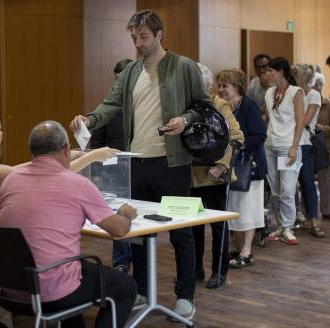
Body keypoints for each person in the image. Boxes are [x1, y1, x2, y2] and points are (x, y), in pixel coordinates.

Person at [70, 10, 210, 320]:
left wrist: (184, 120)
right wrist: (88, 119)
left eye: (143, 36)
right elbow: (110, 104)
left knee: (180, 234)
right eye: (134, 37)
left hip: (172, 163)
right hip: (137, 162)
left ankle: (185, 296)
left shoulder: (184, 66)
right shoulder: (131, 71)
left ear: (160, 34)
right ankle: (142, 291)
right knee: (135, 230)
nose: (138, 43)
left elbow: (204, 108)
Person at [0, 121, 138, 328]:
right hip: (51, 290)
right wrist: (125, 213)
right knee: (125, 287)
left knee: (71, 272)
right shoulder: (77, 183)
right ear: (66, 150)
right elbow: (118, 230)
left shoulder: (10, 181)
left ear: (32, 151)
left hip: (10, 285)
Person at [0, 108, 118, 225]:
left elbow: (22, 168)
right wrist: (92, 156)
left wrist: (51, 158)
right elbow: (51, 172)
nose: (2, 134)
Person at [191, 64, 244, 289]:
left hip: (214, 175)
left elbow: (237, 137)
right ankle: (195, 270)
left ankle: (219, 272)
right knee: (192, 226)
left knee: (218, 226)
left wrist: (222, 166)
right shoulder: (187, 106)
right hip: (191, 175)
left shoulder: (219, 104)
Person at [216, 68, 266, 268]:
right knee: (235, 208)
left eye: (224, 86)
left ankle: (247, 250)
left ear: (236, 86)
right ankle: (237, 248)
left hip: (249, 165)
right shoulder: (223, 106)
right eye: (219, 85)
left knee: (248, 208)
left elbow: (260, 135)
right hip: (232, 164)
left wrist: (239, 143)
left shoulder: (248, 105)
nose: (221, 89)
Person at [90, 58, 134, 275]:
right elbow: (96, 140)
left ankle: (141, 259)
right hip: (114, 171)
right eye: (117, 80)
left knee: (139, 215)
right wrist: (98, 172)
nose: (120, 84)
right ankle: (122, 261)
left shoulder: (142, 105)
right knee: (119, 213)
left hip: (141, 167)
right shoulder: (108, 106)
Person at [263, 57, 304, 245]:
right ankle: (280, 226)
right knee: (275, 189)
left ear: (281, 71)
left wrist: (294, 148)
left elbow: (300, 122)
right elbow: (267, 117)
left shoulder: (296, 92)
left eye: (270, 70)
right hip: (270, 145)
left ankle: (288, 227)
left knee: (288, 189)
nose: (267, 74)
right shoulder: (270, 92)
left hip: (288, 147)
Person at [293, 63, 325, 238]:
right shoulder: (292, 93)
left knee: (307, 182)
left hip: (305, 143)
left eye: (295, 75)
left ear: (304, 77)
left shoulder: (313, 95)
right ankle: (293, 221)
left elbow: (305, 120)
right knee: (290, 185)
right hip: (290, 142)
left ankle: (313, 221)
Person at [313, 73, 330, 221]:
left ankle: (326, 209)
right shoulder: (303, 103)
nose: (316, 88)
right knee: (307, 181)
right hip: (308, 145)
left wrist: (323, 128)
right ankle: (308, 212)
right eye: (314, 85)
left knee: (325, 180)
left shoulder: (329, 104)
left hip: (324, 146)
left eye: (319, 85)